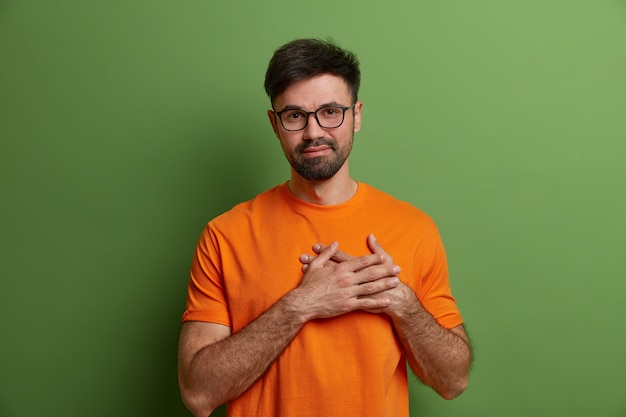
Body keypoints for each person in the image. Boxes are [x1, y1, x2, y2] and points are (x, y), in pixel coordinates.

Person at [178, 38, 472, 417]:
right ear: (275, 124)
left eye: (331, 111)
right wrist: (300, 305)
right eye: (296, 115)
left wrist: (402, 304)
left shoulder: (414, 229)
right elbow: (198, 395)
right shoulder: (225, 235)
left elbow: (454, 381)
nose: (314, 132)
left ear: (357, 115)